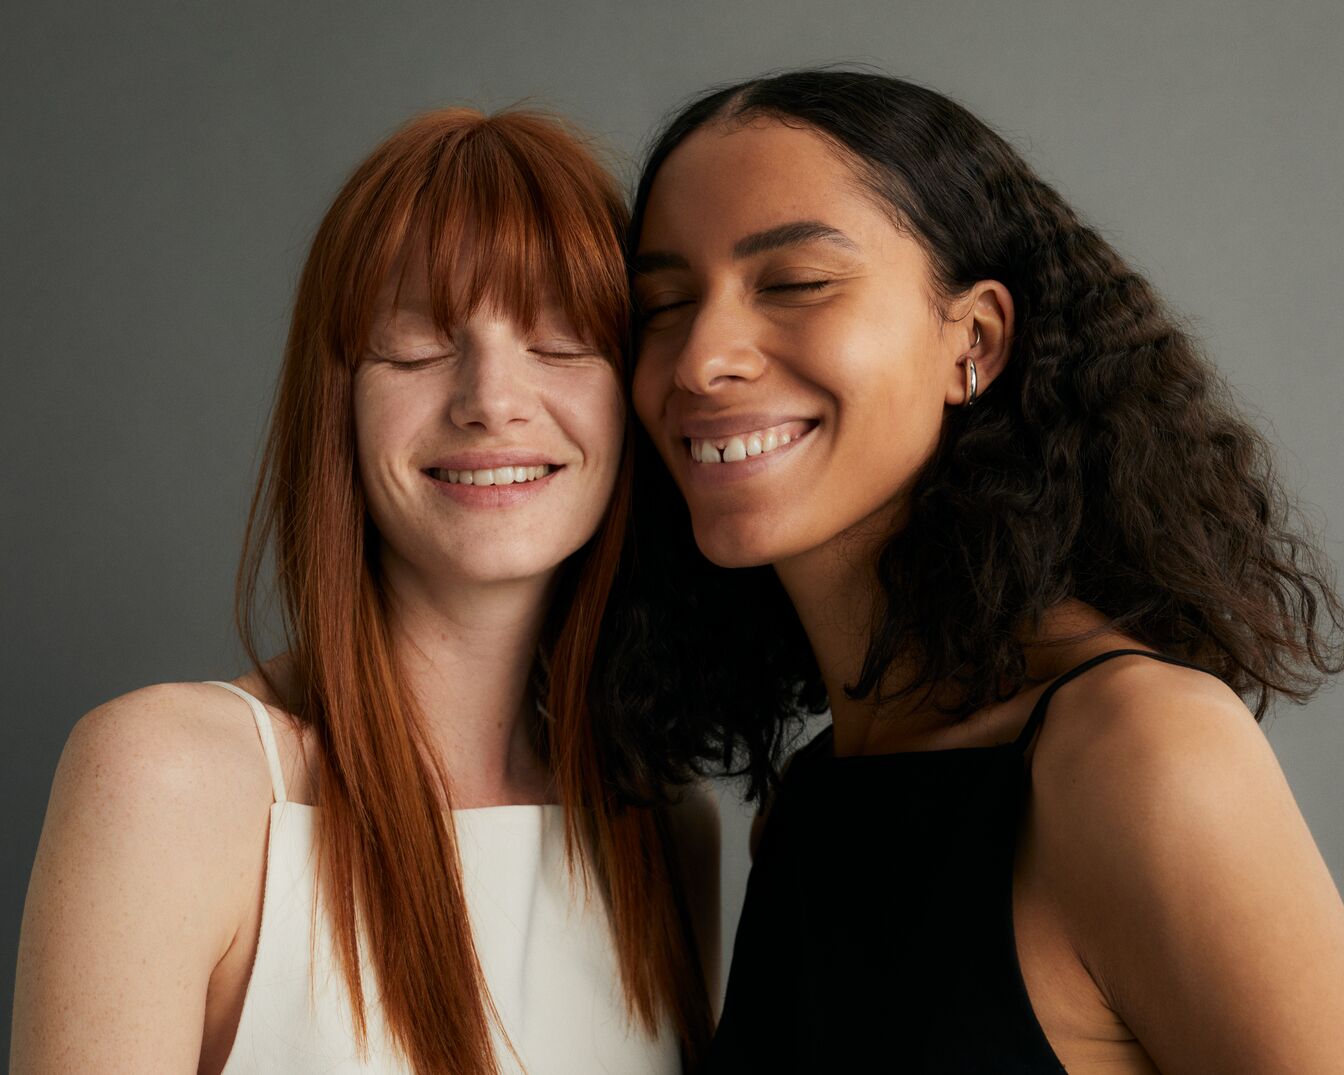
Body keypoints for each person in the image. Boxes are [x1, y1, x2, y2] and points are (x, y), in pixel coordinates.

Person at [626, 70, 1344, 1072]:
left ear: (976, 339)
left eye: (794, 283)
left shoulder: (1135, 752)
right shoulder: (813, 800)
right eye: (662, 303)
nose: (701, 357)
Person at [12, 108, 716, 1075]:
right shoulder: (165, 780)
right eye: (419, 346)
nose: (491, 399)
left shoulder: (667, 825)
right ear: (335, 397)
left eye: (560, 344)